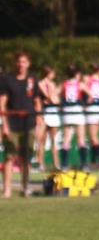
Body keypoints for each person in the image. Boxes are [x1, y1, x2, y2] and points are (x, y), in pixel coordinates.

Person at [0, 51, 39, 198]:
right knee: (9, 157)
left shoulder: (32, 80)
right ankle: (7, 190)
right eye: (18, 61)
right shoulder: (6, 79)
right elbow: (2, 104)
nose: (20, 64)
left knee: (26, 157)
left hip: (29, 124)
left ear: (28, 64)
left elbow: (37, 102)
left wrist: (39, 122)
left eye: (23, 62)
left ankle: (25, 188)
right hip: (12, 123)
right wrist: (5, 125)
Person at [59, 64, 85, 169]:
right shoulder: (80, 84)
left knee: (66, 139)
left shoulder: (64, 84)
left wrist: (59, 104)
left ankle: (64, 164)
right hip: (77, 109)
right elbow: (91, 95)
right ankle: (84, 164)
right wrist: (85, 105)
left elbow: (53, 94)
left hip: (67, 110)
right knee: (81, 139)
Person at [36, 65, 60, 172]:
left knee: (54, 139)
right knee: (42, 139)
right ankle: (40, 163)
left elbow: (56, 101)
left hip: (53, 112)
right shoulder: (40, 84)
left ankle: (56, 164)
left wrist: (52, 91)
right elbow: (49, 97)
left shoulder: (53, 84)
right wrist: (51, 90)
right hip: (44, 112)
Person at [83, 63, 99, 167]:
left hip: (93, 108)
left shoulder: (89, 79)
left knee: (93, 137)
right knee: (94, 137)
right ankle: (93, 161)